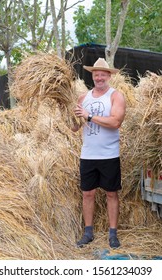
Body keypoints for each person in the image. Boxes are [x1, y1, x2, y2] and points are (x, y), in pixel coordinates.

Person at [73, 57, 126, 249]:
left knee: (111, 194)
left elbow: (116, 122)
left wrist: (89, 116)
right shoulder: (83, 98)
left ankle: (113, 234)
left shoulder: (115, 96)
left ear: (109, 76)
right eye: (96, 74)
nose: (99, 77)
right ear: (92, 76)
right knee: (88, 193)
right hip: (88, 154)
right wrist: (69, 115)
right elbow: (74, 127)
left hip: (109, 154)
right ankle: (88, 233)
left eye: (103, 74)